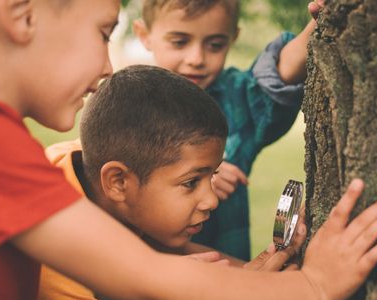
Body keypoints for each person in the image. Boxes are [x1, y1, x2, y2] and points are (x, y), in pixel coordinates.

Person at [0, 0, 377, 300]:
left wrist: (259, 280)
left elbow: (145, 247)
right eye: (104, 31)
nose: (107, 64)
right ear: (22, 15)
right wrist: (310, 288)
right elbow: (145, 274)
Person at [38, 65, 309, 300]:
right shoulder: (53, 262)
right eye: (191, 182)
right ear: (118, 182)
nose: (212, 200)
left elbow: (168, 248)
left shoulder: (105, 169)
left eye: (211, 175)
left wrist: (263, 278)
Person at [132, 0, 324, 260]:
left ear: (234, 37)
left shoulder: (235, 100)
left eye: (215, 45)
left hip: (227, 275)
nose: (196, 59)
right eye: (179, 42)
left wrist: (321, 18)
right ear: (144, 35)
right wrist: (200, 178)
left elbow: (279, 77)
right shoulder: (128, 107)